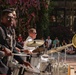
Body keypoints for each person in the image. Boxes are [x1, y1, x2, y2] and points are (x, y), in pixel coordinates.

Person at [0, 9, 32, 75]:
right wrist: (3, 48)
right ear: (2, 19)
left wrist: (23, 61)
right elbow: (5, 48)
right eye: (8, 17)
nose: (11, 19)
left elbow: (12, 49)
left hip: (5, 63)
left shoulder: (9, 31)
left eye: (12, 18)